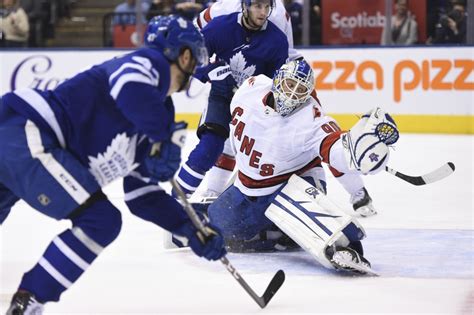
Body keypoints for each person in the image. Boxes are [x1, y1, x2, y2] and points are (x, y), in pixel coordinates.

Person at [1, 15, 226, 314]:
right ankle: (30, 301)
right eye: (194, 63)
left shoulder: (157, 114)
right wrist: (163, 137)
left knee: (101, 219)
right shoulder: (149, 64)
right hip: (26, 133)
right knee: (100, 220)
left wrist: (186, 225)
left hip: (18, 141)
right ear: (184, 56)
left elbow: (141, 196)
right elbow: (129, 85)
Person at [206, 59, 399, 274]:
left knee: (296, 204)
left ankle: (345, 246)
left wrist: (355, 153)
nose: (292, 95)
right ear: (278, 80)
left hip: (293, 181)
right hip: (249, 186)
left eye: (300, 90)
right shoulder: (251, 88)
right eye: (290, 85)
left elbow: (334, 149)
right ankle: (277, 234)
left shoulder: (311, 118)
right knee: (220, 230)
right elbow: (229, 134)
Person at [174, 0, 289, 199]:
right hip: (222, 96)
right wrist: (211, 71)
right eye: (257, 6)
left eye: (267, 7)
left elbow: (276, 84)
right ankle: (176, 200)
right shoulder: (219, 28)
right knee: (210, 147)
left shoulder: (277, 41)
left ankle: (229, 198)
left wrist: (262, 96)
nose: (263, 12)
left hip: (254, 105)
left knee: (264, 157)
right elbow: (191, 60)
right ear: (245, 6)